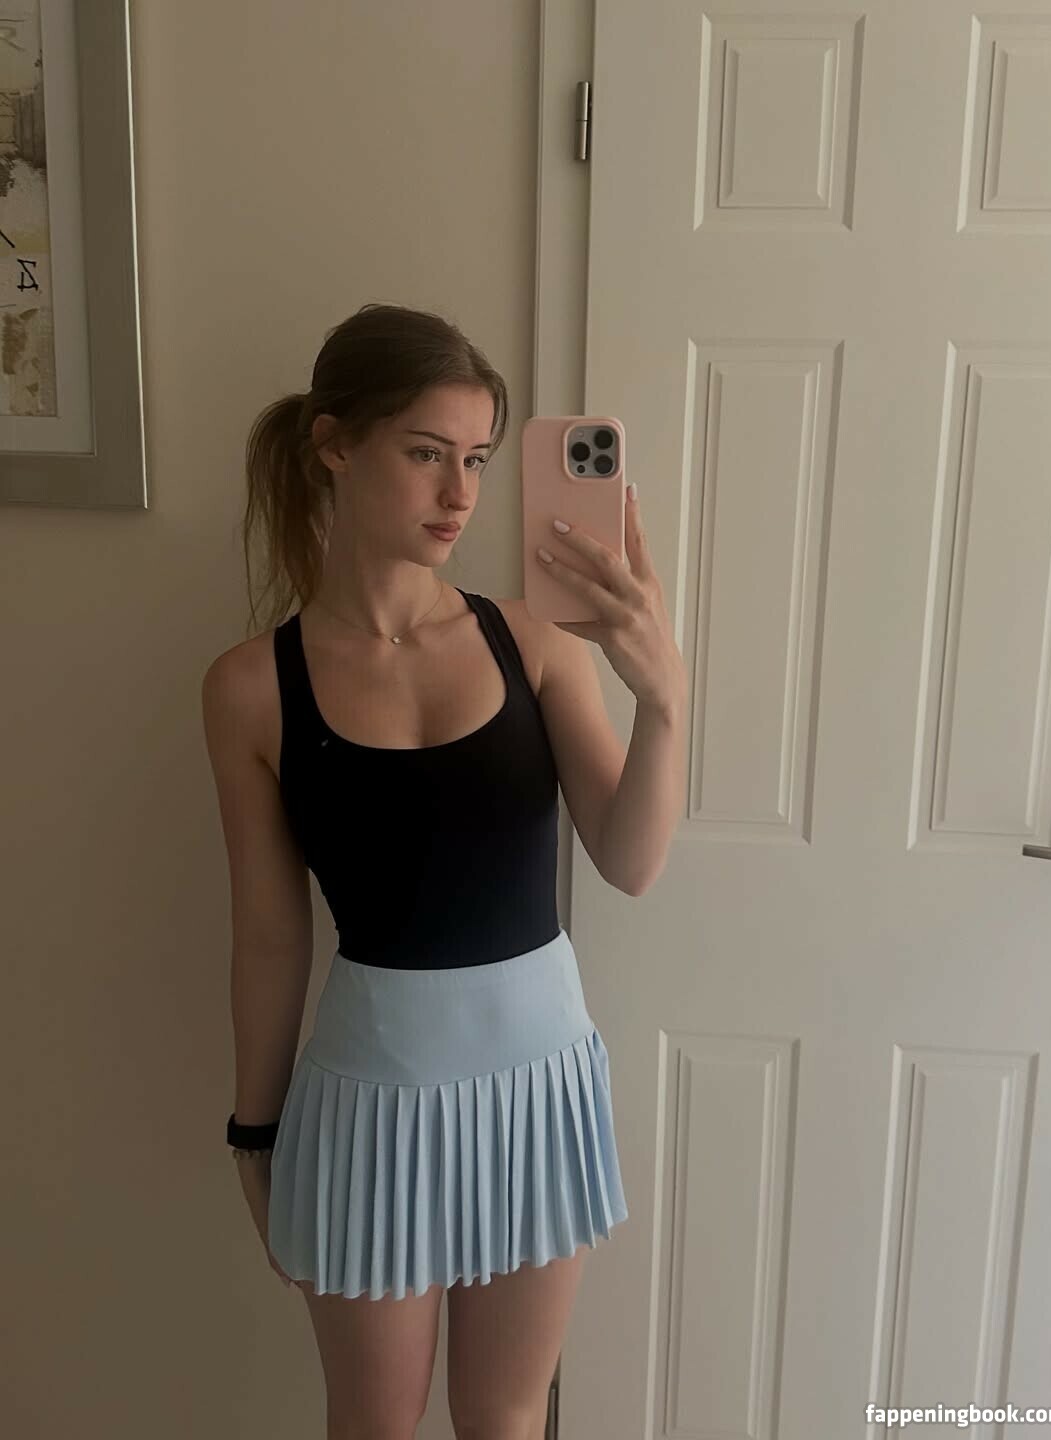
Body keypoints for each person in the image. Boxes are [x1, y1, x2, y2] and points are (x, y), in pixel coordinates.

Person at [201, 301, 687, 1439]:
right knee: (374, 1425)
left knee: (505, 1419)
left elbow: (630, 862)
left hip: (540, 1087)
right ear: (334, 446)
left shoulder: (535, 641)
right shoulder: (251, 688)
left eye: (475, 459)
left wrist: (663, 697)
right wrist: (253, 1131)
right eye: (427, 454)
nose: (460, 494)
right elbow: (269, 933)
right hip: (369, 1099)